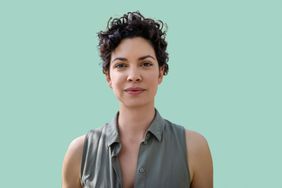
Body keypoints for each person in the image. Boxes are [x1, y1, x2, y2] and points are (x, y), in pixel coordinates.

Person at [62, 11, 213, 188]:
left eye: (145, 64)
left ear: (161, 72)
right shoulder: (80, 152)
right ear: (108, 76)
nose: (133, 76)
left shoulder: (194, 148)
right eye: (121, 65)